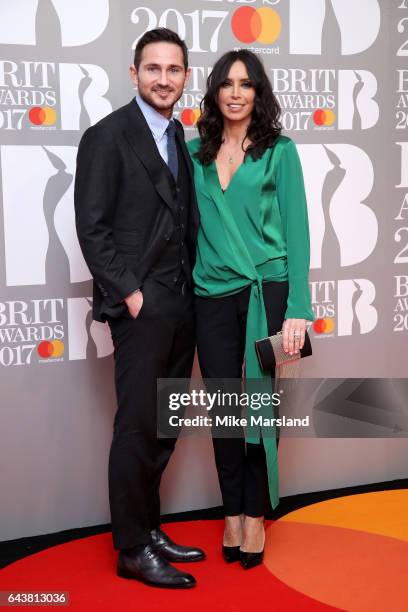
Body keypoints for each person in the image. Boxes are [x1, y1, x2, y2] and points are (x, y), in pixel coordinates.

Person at [74, 28, 204, 589]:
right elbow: (92, 227)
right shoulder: (106, 137)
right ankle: (130, 548)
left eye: (173, 70)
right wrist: (131, 295)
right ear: (133, 73)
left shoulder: (180, 135)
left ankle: (149, 528)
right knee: (135, 425)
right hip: (142, 305)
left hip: (183, 301)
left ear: (184, 77)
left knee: (165, 423)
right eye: (153, 69)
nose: (163, 79)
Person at [187, 50, 314, 570]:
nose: (236, 93)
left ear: (259, 93)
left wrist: (298, 308)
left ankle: (257, 514)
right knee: (223, 406)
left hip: (270, 291)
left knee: (260, 406)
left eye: (247, 84)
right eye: (227, 84)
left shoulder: (280, 152)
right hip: (210, 293)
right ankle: (232, 511)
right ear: (215, 92)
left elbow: (299, 233)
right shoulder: (194, 151)